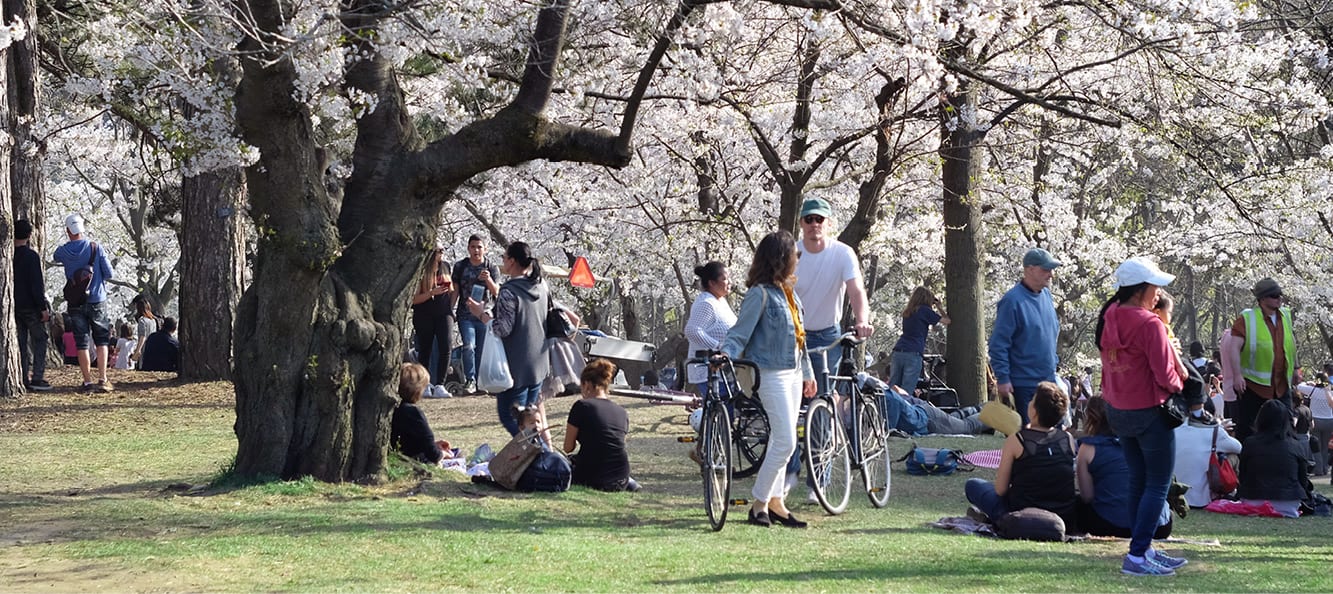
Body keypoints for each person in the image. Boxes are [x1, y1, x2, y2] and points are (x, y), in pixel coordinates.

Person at [1096, 256, 1187, 576]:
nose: (1158, 294)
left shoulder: (1110, 315)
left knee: (1138, 481)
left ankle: (1143, 549)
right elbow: (1166, 376)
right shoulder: (1149, 324)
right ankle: (1137, 556)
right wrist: (1182, 384)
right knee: (1157, 484)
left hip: (1118, 409)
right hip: (1150, 410)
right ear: (1141, 289)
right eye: (1155, 287)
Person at [723, 230, 816, 528]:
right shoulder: (759, 294)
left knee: (782, 439)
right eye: (793, 253)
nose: (797, 259)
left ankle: (776, 503)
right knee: (786, 441)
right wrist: (725, 355)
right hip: (769, 374)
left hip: (792, 372)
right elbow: (739, 334)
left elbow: (801, 339)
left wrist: (808, 373)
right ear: (781, 258)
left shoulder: (790, 294)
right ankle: (759, 503)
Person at [964, 382, 1077, 529]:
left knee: (973, 485)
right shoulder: (1068, 439)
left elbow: (1000, 489)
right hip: (1062, 514)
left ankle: (993, 519)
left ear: (1035, 412)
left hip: (1020, 514)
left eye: (1032, 400)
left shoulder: (1017, 440)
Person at [793, 197, 874, 396]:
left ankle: (824, 426)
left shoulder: (843, 253)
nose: (814, 225)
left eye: (819, 219)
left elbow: (856, 291)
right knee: (790, 396)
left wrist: (862, 321)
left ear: (828, 223)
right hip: (794, 334)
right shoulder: (791, 253)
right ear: (801, 223)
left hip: (826, 335)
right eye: (809, 219)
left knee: (823, 396)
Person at [467, 241, 550, 436]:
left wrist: (481, 314)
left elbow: (503, 329)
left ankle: (536, 455)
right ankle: (537, 454)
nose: (503, 261)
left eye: (504, 258)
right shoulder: (540, 286)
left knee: (511, 416)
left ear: (512, 261)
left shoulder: (509, 291)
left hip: (515, 365)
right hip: (538, 361)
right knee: (531, 416)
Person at [1077, 397, 1173, 538]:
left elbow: (1087, 496)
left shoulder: (1088, 448)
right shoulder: (1149, 441)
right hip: (1158, 526)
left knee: (1079, 505)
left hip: (1111, 524)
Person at [988, 248, 1061, 425]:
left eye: (1051, 270)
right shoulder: (1013, 301)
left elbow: (1050, 333)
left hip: (1049, 380)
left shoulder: (1046, 295)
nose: (1050, 274)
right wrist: (1003, 379)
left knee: (1053, 436)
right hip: (1024, 384)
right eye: (1045, 270)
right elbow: (998, 344)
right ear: (1029, 269)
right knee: (1030, 440)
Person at [1221, 277, 1296, 443]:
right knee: (1249, 430)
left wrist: (1296, 368)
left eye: (1280, 295)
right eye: (1274, 295)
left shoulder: (1286, 316)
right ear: (1262, 299)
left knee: (1287, 429)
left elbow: (1290, 343)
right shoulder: (1247, 319)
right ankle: (1248, 464)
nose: (1279, 298)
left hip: (1281, 385)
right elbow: (1234, 348)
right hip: (1254, 387)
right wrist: (1237, 375)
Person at [53, 213, 116, 392]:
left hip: (76, 302)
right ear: (83, 228)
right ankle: (103, 379)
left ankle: (87, 381)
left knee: (82, 342)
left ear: (68, 230)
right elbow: (109, 273)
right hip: (98, 299)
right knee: (102, 340)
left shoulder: (64, 251)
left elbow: (55, 255)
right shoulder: (96, 248)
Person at [563, 358, 639, 492]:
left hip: (594, 476)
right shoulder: (622, 412)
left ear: (586, 384)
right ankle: (631, 483)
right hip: (621, 476)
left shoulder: (581, 406)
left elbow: (568, 447)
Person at [1237, 399, 1312, 518]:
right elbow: (1302, 479)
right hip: (1288, 501)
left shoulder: (1250, 443)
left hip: (1253, 499)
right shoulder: (1296, 445)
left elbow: (1243, 474)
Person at [452, 234, 502, 394]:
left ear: (485, 249)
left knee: (482, 349)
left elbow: (497, 292)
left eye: (479, 247)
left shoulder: (491, 267)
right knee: (469, 346)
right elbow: (455, 291)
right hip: (465, 314)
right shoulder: (460, 266)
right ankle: (470, 379)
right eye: (473, 247)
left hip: (484, 315)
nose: (476, 250)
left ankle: (481, 382)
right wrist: (449, 310)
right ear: (468, 248)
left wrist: (488, 280)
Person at [684, 261, 737, 393]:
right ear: (712, 283)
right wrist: (718, 346)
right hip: (709, 369)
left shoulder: (721, 301)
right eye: (724, 279)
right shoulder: (706, 303)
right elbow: (692, 331)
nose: (729, 282)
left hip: (726, 367)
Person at [888, 286, 950, 396]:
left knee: (893, 388)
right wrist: (939, 306)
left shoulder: (908, 312)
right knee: (906, 390)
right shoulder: (925, 311)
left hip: (898, 351)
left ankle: (888, 411)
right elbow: (947, 321)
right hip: (913, 352)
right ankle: (903, 412)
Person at [13, 219, 52, 391]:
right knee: (40, 339)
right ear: (29, 235)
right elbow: (37, 285)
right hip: (31, 307)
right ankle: (37, 376)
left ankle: (21, 376)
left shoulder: (9, 255)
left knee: (21, 343)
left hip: (14, 306)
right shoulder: (31, 256)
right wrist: (43, 308)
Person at [411, 248, 455, 397]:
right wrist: (431, 293)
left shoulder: (446, 266)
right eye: (437, 251)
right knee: (425, 349)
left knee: (446, 345)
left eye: (443, 250)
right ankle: (425, 384)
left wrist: (451, 306)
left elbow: (452, 290)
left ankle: (440, 384)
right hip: (424, 313)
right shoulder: (421, 269)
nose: (441, 253)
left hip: (444, 312)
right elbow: (414, 299)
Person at [390, 362, 448, 465]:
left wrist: (434, 445)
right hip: (415, 461)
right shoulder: (413, 413)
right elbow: (433, 454)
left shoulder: (392, 409)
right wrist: (442, 454)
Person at [878, 382, 986, 435]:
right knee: (956, 418)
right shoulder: (883, 395)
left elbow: (888, 430)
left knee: (967, 427)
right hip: (926, 413)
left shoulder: (887, 397)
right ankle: (985, 407)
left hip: (928, 421)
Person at [1297, 372, 1333, 476]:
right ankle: (1325, 468)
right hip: (1329, 420)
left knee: (1317, 446)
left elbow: (1299, 386)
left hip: (1316, 419)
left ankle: (1318, 469)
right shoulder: (1330, 392)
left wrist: (1309, 382)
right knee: (1325, 446)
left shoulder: (1313, 390)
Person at [130, 295, 158, 370]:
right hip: (152, 346)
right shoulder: (153, 320)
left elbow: (143, 336)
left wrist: (138, 349)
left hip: (144, 347)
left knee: (142, 367)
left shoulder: (142, 320)